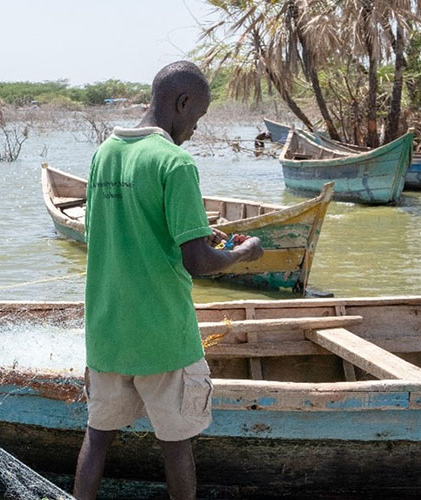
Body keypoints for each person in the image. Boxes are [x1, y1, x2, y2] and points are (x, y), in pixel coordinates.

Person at [72, 61, 263, 500]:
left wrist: (193, 231)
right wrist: (243, 253)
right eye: (199, 115)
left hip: (106, 334)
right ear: (182, 103)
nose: (197, 126)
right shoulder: (175, 163)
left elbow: (118, 230)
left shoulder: (105, 153)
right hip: (162, 335)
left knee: (97, 438)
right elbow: (197, 262)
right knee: (176, 445)